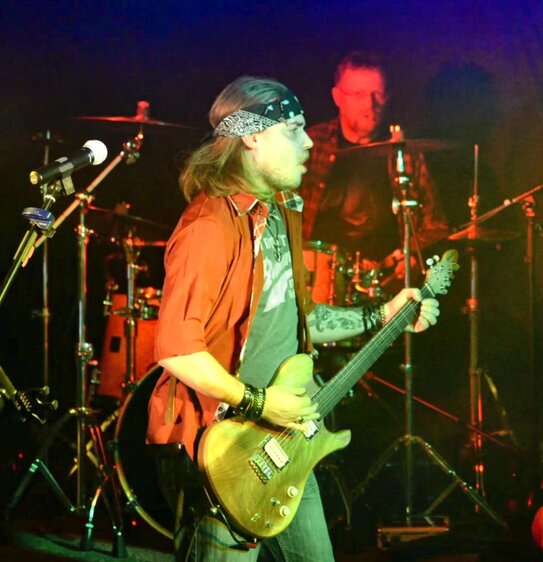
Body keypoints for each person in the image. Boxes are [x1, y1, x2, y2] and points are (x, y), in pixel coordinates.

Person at [146, 75, 440, 561]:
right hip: (221, 449)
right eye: (293, 129)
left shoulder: (282, 212)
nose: (308, 142)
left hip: (284, 444)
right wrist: (261, 403)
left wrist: (382, 314)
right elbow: (177, 350)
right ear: (251, 137)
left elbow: (301, 318)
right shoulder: (209, 226)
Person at [299, 50, 449, 300]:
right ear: (337, 97)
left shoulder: (404, 153)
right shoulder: (309, 146)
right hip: (316, 286)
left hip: (384, 289)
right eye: (358, 95)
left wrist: (413, 256)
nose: (370, 105)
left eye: (377, 94)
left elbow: (435, 225)